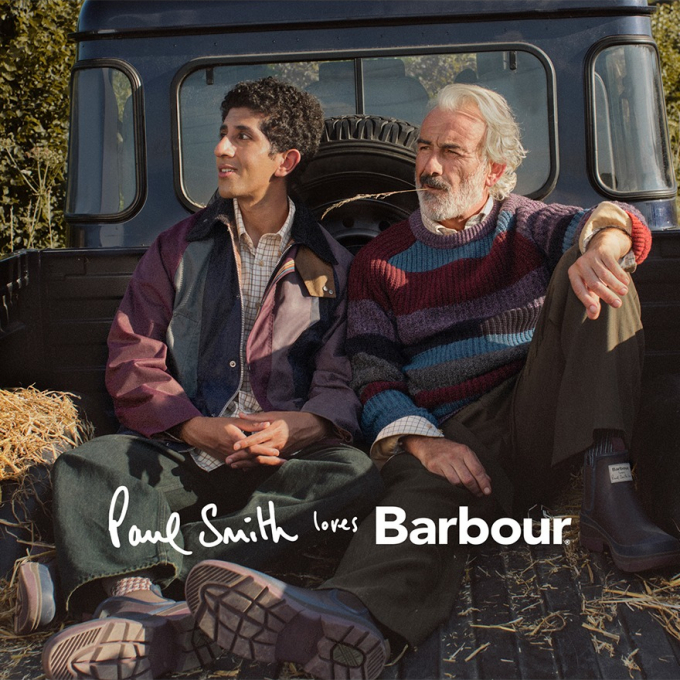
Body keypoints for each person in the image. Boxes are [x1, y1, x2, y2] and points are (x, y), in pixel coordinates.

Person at [181, 83, 680, 680]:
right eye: (423, 147)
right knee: (413, 498)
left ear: (495, 170)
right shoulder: (378, 262)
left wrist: (607, 241)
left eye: (452, 152)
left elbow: (618, 221)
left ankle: (611, 489)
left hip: (537, 408)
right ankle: (347, 615)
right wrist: (421, 441)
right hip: (453, 432)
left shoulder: (524, 223)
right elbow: (372, 375)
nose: (430, 166)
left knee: (596, 268)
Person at [24, 77, 382, 680]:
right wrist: (192, 427)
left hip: (281, 468)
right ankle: (154, 601)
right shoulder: (177, 248)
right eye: (222, 133)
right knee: (89, 465)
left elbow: (340, 376)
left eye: (242, 137)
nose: (220, 149)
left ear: (285, 160)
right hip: (182, 457)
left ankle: (139, 581)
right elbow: (132, 356)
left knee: (354, 473)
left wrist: (299, 428)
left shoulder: (333, 263)